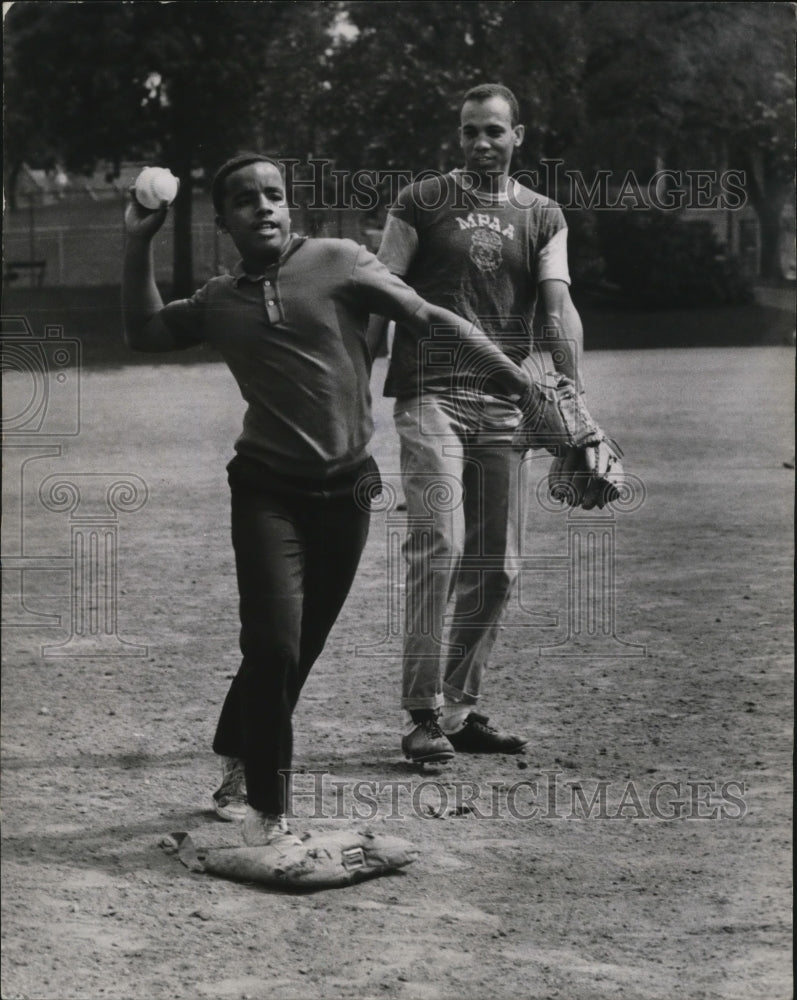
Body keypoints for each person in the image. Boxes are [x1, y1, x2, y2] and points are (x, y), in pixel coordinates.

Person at [121, 151, 532, 846]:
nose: (264, 206)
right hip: (265, 492)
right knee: (274, 644)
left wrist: (517, 383)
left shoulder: (340, 260)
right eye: (246, 200)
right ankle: (268, 810)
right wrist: (139, 243)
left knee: (296, 649)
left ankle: (235, 745)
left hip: (347, 492)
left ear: (290, 205)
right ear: (223, 222)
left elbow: (428, 317)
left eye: (274, 194)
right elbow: (143, 333)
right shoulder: (220, 300)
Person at [367, 83, 585, 765]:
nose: (481, 143)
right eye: (469, 131)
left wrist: (573, 403)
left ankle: (458, 709)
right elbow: (381, 296)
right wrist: (355, 382)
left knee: (498, 566)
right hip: (429, 393)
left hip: (505, 402)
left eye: (494, 130)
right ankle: (420, 714)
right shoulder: (420, 202)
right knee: (440, 544)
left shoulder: (542, 215)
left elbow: (555, 309)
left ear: (519, 134)